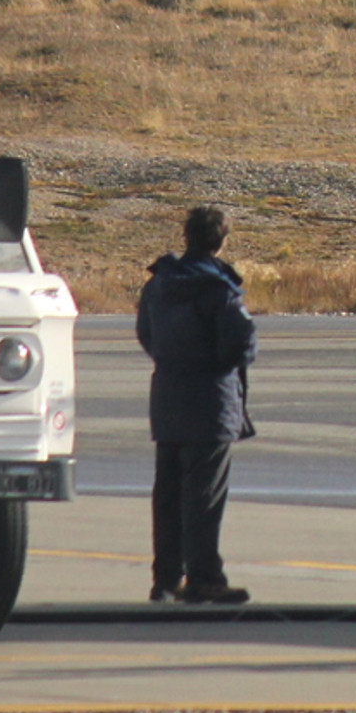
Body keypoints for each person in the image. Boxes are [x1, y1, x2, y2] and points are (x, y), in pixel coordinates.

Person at [135, 204, 256, 605]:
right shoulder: (218, 289)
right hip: (209, 400)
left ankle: (166, 578)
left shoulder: (159, 285)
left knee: (168, 494)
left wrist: (174, 363)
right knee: (203, 495)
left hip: (168, 396)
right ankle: (204, 577)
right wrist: (216, 367)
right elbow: (242, 342)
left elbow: (146, 334)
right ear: (222, 242)